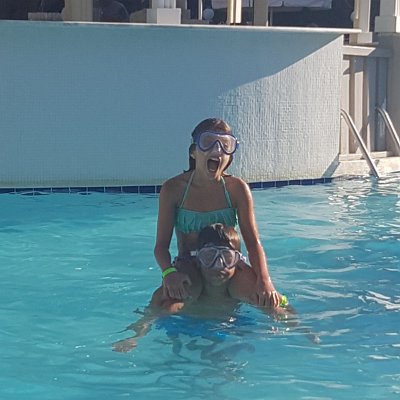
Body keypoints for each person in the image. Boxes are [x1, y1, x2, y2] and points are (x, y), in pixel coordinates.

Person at [154, 118, 281, 307]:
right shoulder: (173, 189)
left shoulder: (237, 189)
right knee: (165, 304)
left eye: (226, 145)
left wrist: (265, 280)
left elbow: (253, 243)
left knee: (271, 302)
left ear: (230, 157)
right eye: (208, 142)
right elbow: (161, 247)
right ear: (193, 152)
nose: (217, 150)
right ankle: (140, 327)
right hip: (191, 266)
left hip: (229, 267)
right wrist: (168, 273)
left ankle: (301, 327)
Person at [113, 224, 294, 352]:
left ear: (238, 262)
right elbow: (152, 311)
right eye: (209, 257)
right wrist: (134, 337)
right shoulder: (187, 288)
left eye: (227, 258)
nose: (218, 266)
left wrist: (301, 329)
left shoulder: (241, 287)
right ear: (198, 260)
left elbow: (280, 304)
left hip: (232, 328)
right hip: (185, 327)